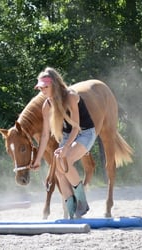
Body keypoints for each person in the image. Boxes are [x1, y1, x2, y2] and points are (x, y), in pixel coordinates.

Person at [31, 67, 97, 219]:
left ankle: (82, 201)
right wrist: (37, 160)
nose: (43, 91)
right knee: (58, 171)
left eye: (45, 87)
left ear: (54, 84)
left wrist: (65, 148)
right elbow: (45, 135)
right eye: (40, 88)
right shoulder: (46, 105)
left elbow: (76, 127)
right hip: (68, 137)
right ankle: (72, 209)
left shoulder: (71, 96)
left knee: (64, 159)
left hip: (85, 133)